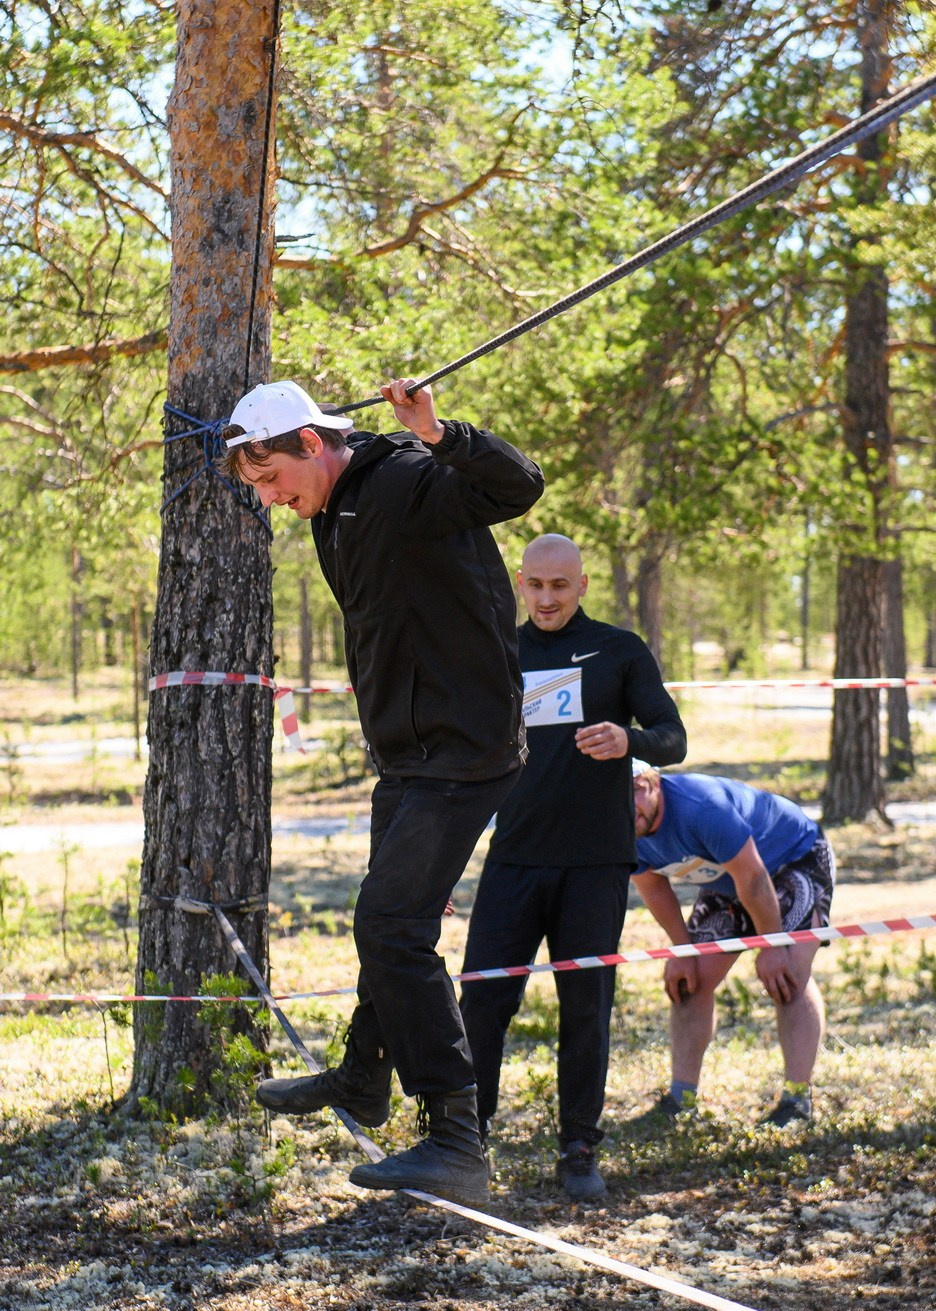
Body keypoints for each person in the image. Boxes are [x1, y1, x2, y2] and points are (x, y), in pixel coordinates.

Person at [221, 377, 544, 1206]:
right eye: (256, 487)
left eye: (271, 479)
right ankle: (364, 1077)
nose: (269, 498)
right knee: (385, 918)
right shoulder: (334, 510)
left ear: (311, 443)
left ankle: (455, 1139)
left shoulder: (403, 476)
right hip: (407, 753)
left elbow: (516, 487)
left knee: (391, 923)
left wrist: (441, 432)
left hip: (465, 746)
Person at [458, 534, 687, 1200]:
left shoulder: (619, 650)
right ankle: (466, 1139)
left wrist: (629, 740)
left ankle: (580, 1147)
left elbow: (673, 736)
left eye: (561, 586)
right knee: (482, 1000)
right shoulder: (501, 650)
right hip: (514, 859)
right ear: (520, 585)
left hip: (594, 861)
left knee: (584, 1007)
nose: (548, 598)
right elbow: (468, 755)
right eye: (536, 585)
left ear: (582, 585)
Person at [630, 765, 836, 1128]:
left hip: (791, 859)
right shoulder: (619, 825)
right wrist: (683, 951)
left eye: (634, 794)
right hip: (730, 879)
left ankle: (796, 1100)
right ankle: (681, 1100)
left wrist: (771, 946)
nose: (628, 810)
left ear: (652, 783)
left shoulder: (701, 806)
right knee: (690, 982)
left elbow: (755, 877)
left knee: (787, 976)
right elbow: (653, 887)